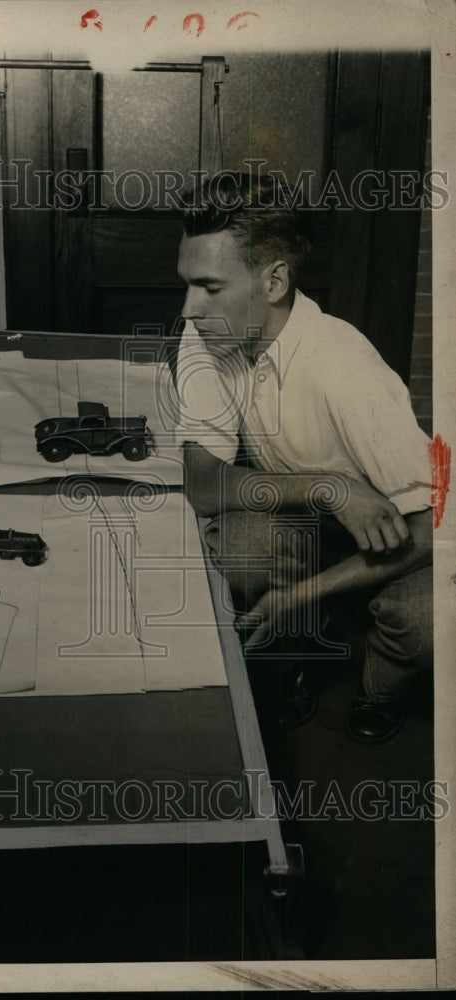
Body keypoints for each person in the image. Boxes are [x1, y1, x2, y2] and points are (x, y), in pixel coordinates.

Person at [175, 175, 433, 743]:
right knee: (241, 548)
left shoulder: (346, 369)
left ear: (274, 281)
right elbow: (202, 484)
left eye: (210, 287)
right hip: (312, 523)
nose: (189, 309)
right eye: (188, 285)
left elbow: (433, 530)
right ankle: (302, 650)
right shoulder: (210, 333)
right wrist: (330, 488)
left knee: (431, 621)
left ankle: (378, 686)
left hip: (399, 541)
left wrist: (298, 594)